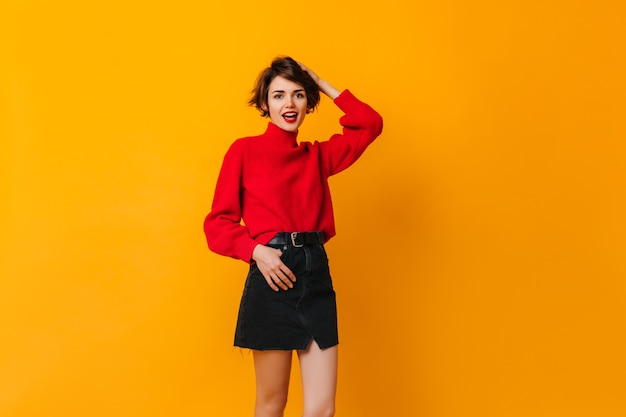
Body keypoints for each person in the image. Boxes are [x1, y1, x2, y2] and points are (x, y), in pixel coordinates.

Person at [203, 56, 383, 417]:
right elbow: (216, 224)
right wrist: (257, 251)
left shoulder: (317, 156)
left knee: (322, 409)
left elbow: (369, 124)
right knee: (272, 403)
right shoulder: (244, 151)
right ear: (264, 103)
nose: (289, 104)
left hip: (315, 275)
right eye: (279, 95)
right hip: (273, 276)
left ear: (309, 103)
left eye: (299, 95)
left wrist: (322, 82)